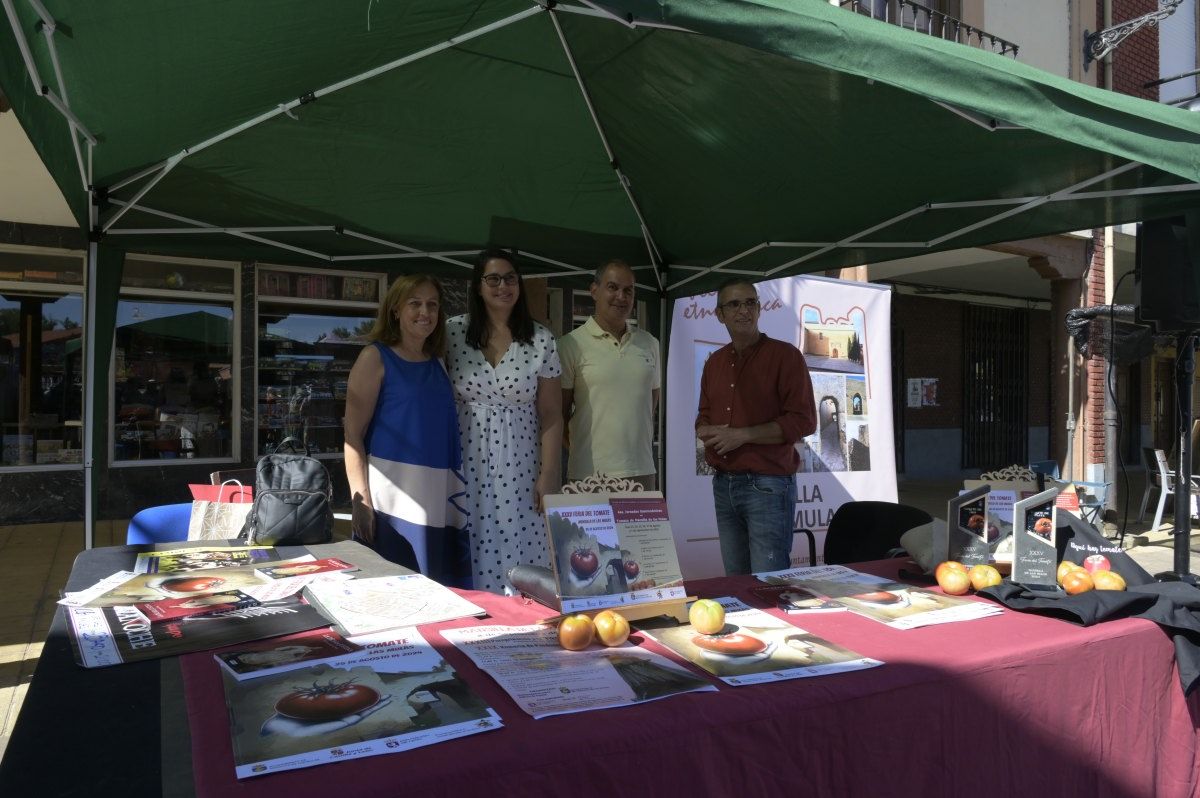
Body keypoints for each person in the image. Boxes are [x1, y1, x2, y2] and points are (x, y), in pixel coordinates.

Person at [445, 249, 562, 594]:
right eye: (493, 279)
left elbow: (552, 413)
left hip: (522, 464)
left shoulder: (541, 339)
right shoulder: (451, 333)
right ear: (478, 286)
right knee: (471, 535)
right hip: (466, 460)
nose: (503, 286)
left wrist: (550, 473)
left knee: (521, 538)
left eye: (510, 278)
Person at [343, 274, 469, 586]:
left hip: (439, 497)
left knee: (439, 590)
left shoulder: (438, 360)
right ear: (396, 310)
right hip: (394, 500)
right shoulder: (375, 357)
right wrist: (360, 499)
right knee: (394, 588)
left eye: (432, 305)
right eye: (415, 304)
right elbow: (352, 435)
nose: (425, 312)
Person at [696, 278, 817, 575]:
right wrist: (707, 432)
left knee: (769, 581)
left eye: (750, 303)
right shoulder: (715, 363)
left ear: (760, 309)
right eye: (734, 304)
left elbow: (804, 420)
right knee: (735, 580)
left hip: (768, 485)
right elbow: (702, 417)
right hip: (723, 485)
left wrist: (741, 436)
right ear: (720, 314)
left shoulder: (785, 356)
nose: (744, 311)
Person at [559, 260, 660, 489]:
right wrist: (583, 450)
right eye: (612, 287)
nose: (621, 297)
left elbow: (650, 401)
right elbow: (558, 415)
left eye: (628, 290)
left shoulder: (650, 344)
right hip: (589, 475)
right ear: (594, 290)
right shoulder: (570, 345)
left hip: (642, 472)